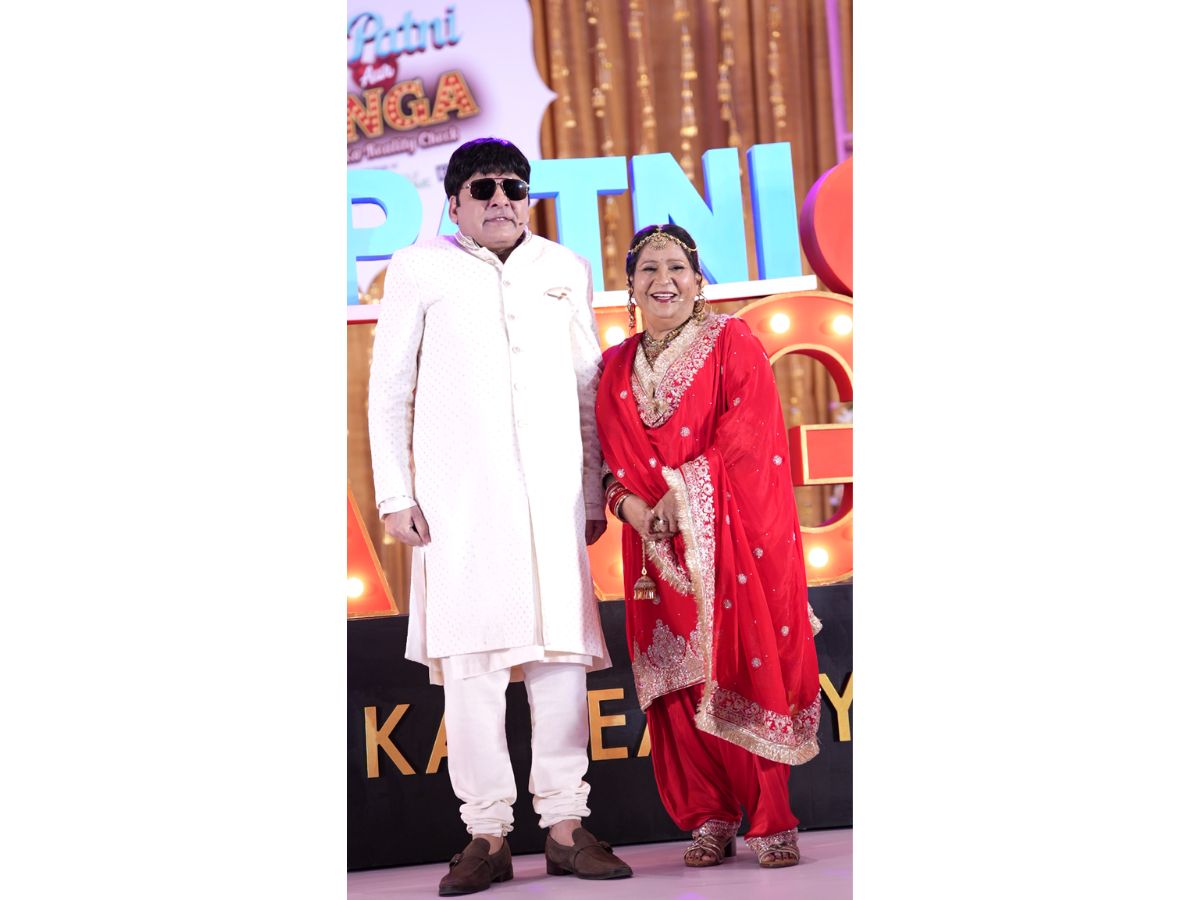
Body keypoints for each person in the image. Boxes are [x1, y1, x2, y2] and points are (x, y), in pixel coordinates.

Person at [368, 137, 633, 896]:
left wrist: (592, 494)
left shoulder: (563, 268)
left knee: (558, 661)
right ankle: (486, 833)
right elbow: (390, 390)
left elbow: (587, 387)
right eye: (482, 188)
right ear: (453, 202)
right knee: (473, 667)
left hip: (551, 499)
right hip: (460, 500)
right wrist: (395, 494)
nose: (500, 200)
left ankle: (565, 826)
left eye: (514, 187)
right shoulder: (419, 268)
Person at [595, 223, 823, 869]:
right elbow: (606, 462)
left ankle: (772, 821)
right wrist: (632, 508)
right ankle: (709, 818)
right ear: (631, 286)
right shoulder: (614, 366)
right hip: (651, 549)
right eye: (648, 270)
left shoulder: (731, 340)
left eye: (676, 268)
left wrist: (683, 493)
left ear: (698, 281)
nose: (662, 280)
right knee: (677, 686)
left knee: (742, 664)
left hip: (728, 543)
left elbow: (749, 433)